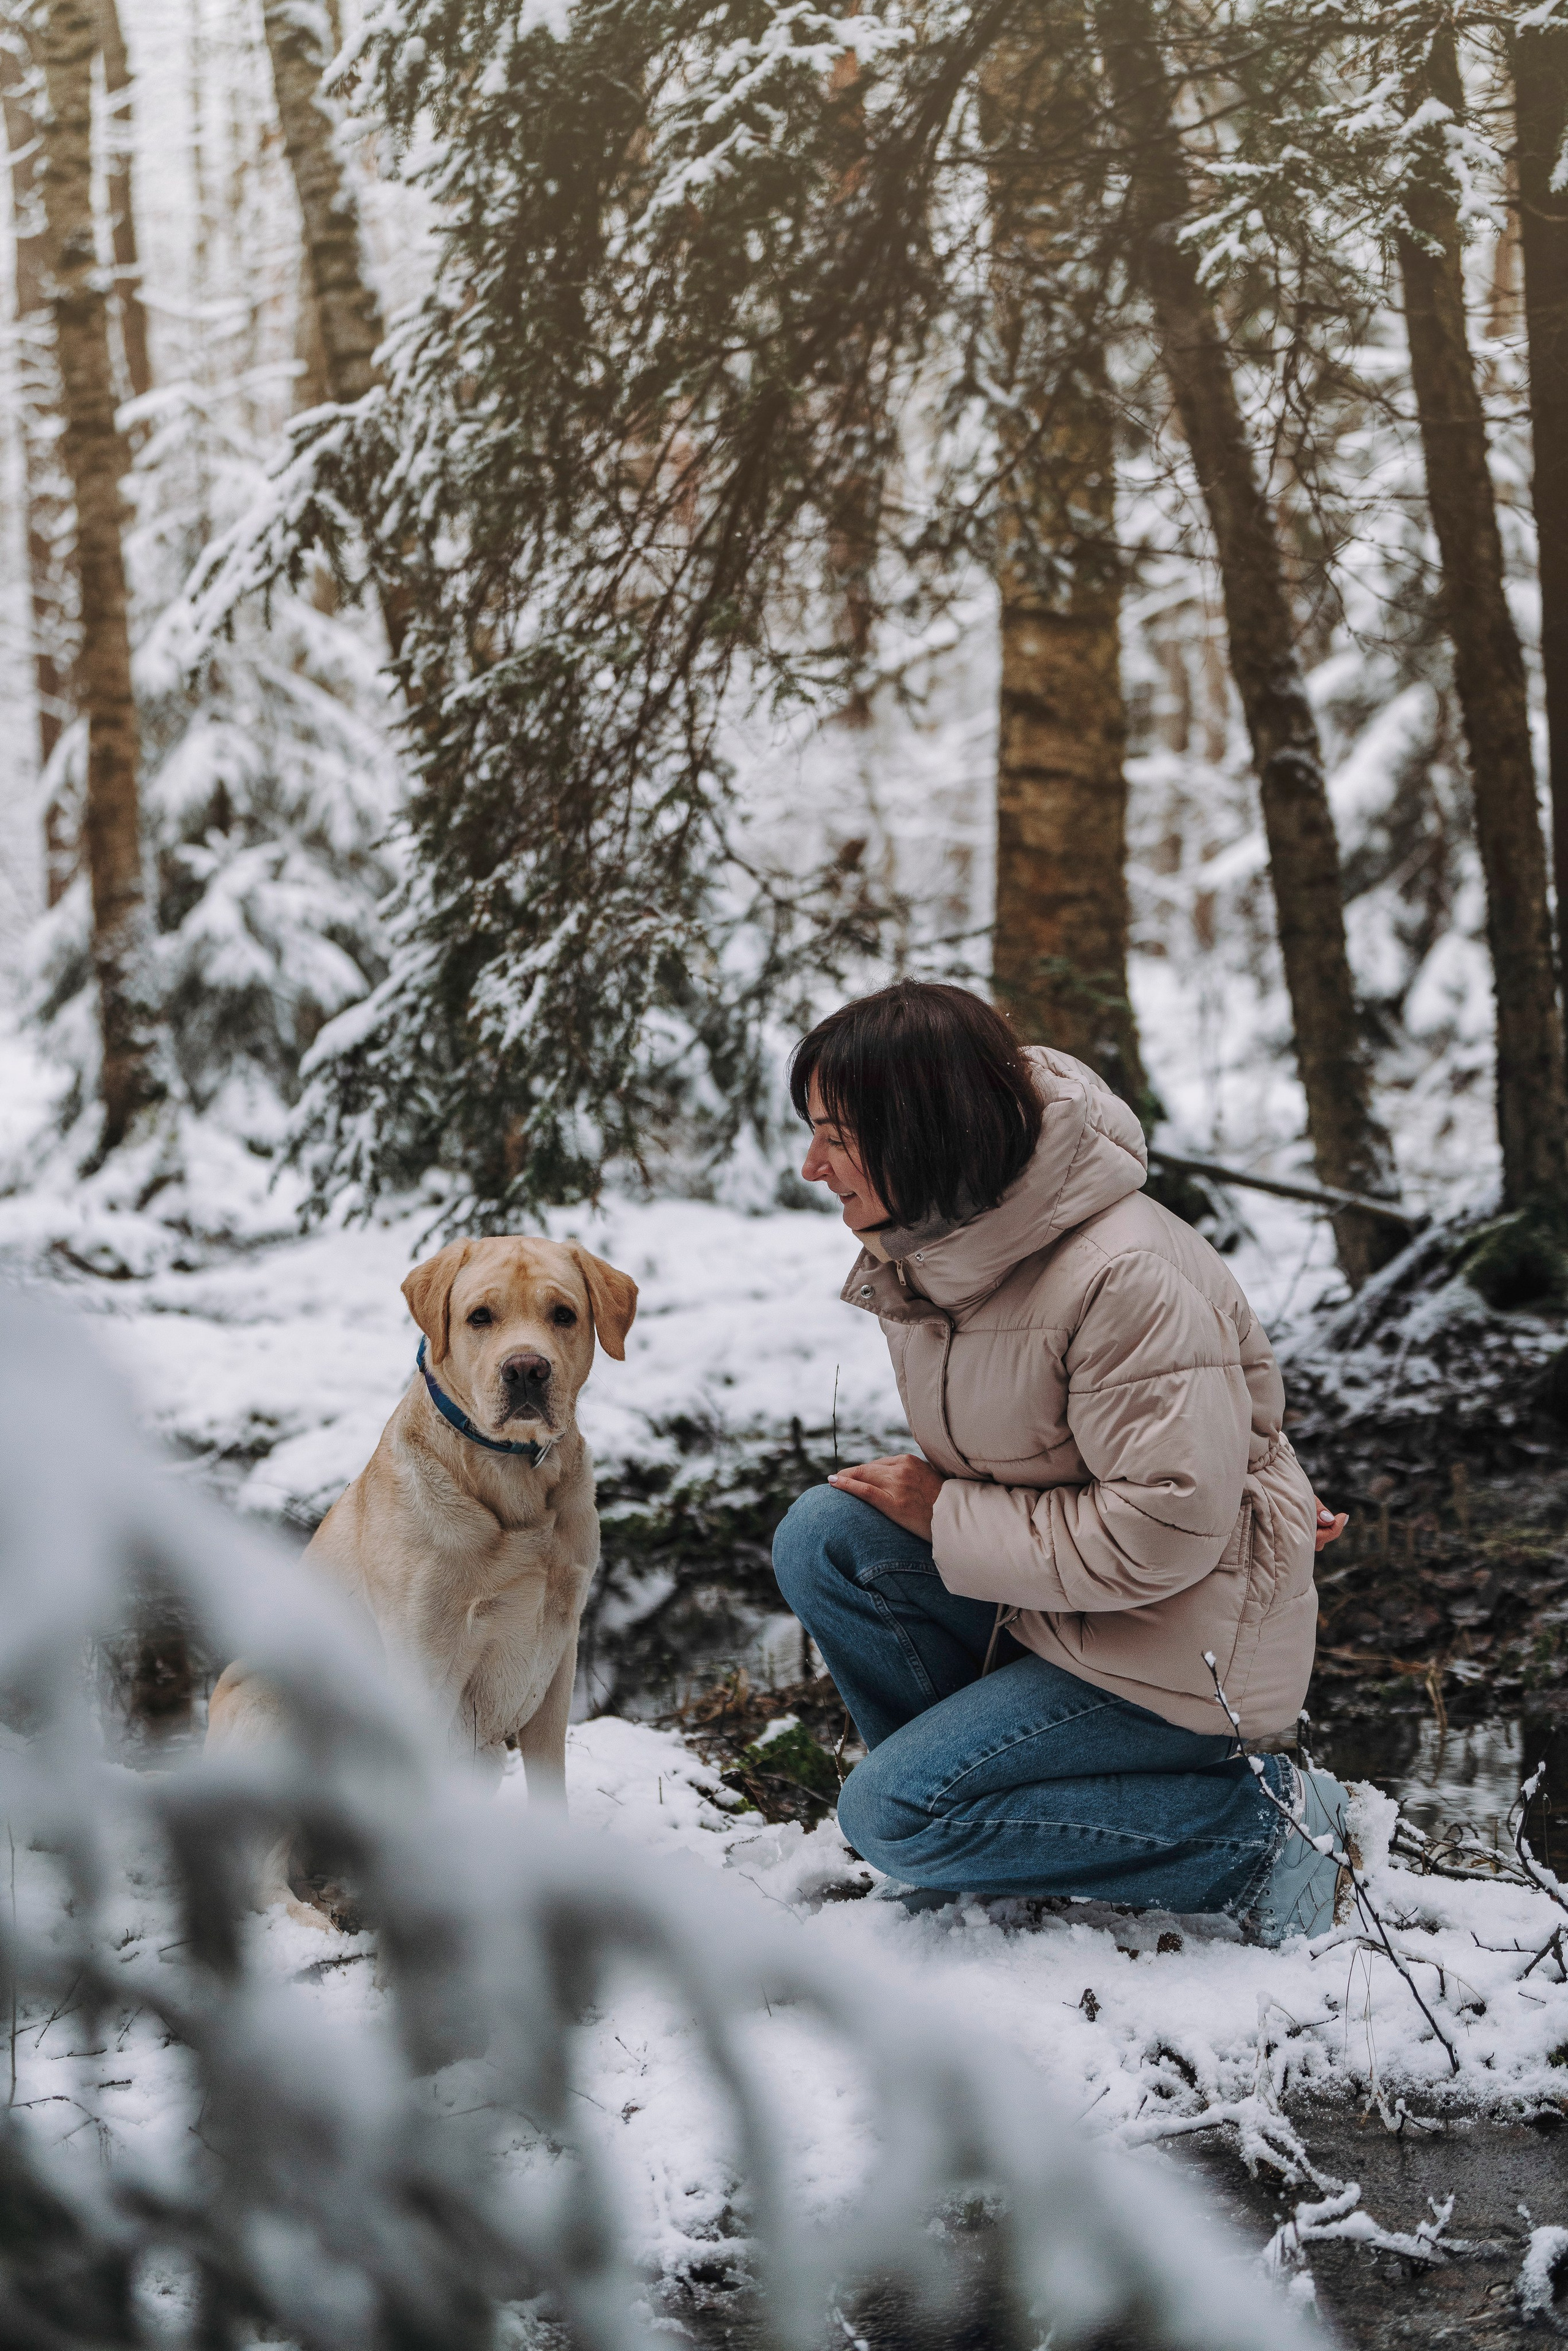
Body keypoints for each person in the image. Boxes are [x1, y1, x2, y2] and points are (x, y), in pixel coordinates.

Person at [771, 981, 1352, 1942]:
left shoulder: (1123, 1272)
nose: (811, 1163)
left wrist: (944, 1512)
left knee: (891, 1817)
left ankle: (1267, 1832)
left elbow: (1161, 1527)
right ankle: (993, 1822)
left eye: (836, 1133)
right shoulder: (942, 1247)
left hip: (1176, 1650)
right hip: (1064, 1612)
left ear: (919, 1125)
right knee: (827, 1535)